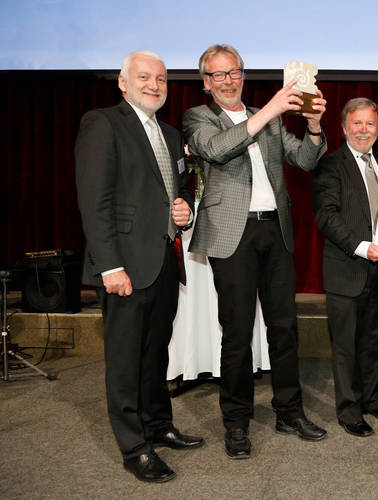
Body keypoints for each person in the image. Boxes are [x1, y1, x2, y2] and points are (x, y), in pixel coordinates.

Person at [182, 44, 328, 459]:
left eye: (234, 72)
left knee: (284, 328)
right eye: (218, 74)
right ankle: (236, 422)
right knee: (237, 332)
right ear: (206, 83)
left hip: (275, 230)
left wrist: (314, 126)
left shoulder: (267, 118)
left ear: (243, 75)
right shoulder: (199, 117)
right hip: (232, 235)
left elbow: (305, 159)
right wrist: (270, 110)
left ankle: (289, 411)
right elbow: (216, 149)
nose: (228, 81)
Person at [75, 50, 203, 483]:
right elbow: (95, 202)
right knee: (126, 361)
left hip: (164, 261)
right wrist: (109, 266)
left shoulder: (169, 133)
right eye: (144, 77)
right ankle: (135, 448)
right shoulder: (103, 123)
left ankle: (158, 425)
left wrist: (185, 208)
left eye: (161, 79)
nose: (154, 85)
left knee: (155, 352)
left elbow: (178, 189)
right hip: (125, 265)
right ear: (123, 82)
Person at [312, 98, 378, 438]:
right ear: (344, 127)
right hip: (347, 268)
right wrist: (363, 248)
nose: (364, 130)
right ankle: (349, 411)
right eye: (357, 123)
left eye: (370, 123)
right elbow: (326, 215)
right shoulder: (329, 165)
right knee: (346, 346)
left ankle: (375, 400)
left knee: (376, 340)